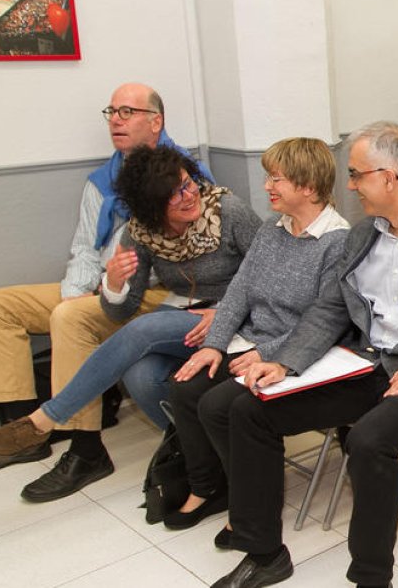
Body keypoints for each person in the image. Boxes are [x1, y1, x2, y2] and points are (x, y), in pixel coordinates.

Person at [201, 121, 398, 588]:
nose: (348, 185)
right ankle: (264, 551)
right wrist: (284, 361)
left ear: (389, 177)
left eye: (356, 174)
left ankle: (371, 579)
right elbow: (331, 307)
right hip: (367, 365)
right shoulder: (364, 233)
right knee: (249, 408)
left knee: (368, 441)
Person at [0, 145, 259, 502]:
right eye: (174, 194)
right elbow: (121, 310)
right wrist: (115, 285)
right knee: (141, 377)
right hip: (185, 316)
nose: (190, 194)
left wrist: (226, 312)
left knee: (142, 330)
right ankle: (203, 454)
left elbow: (271, 275)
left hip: (236, 318)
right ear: (152, 207)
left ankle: (45, 419)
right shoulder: (141, 233)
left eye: (188, 183)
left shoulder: (228, 211)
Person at [0, 83, 201, 449]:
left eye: (127, 112)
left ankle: (84, 445)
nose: (115, 121)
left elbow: (188, 255)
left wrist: (109, 288)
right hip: (98, 285)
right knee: (1, 306)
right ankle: (22, 432)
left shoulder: (182, 176)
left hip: (153, 291)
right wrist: (77, 293)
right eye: (111, 112)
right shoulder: (102, 181)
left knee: (68, 318)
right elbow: (85, 248)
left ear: (156, 122)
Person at [163, 138, 348, 534]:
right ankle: (210, 486)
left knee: (218, 405)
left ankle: (250, 500)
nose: (267, 186)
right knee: (183, 388)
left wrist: (267, 351)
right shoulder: (272, 229)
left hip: (296, 354)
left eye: (276, 179)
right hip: (250, 343)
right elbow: (240, 291)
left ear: (308, 188)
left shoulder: (338, 242)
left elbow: (327, 320)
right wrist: (214, 344)